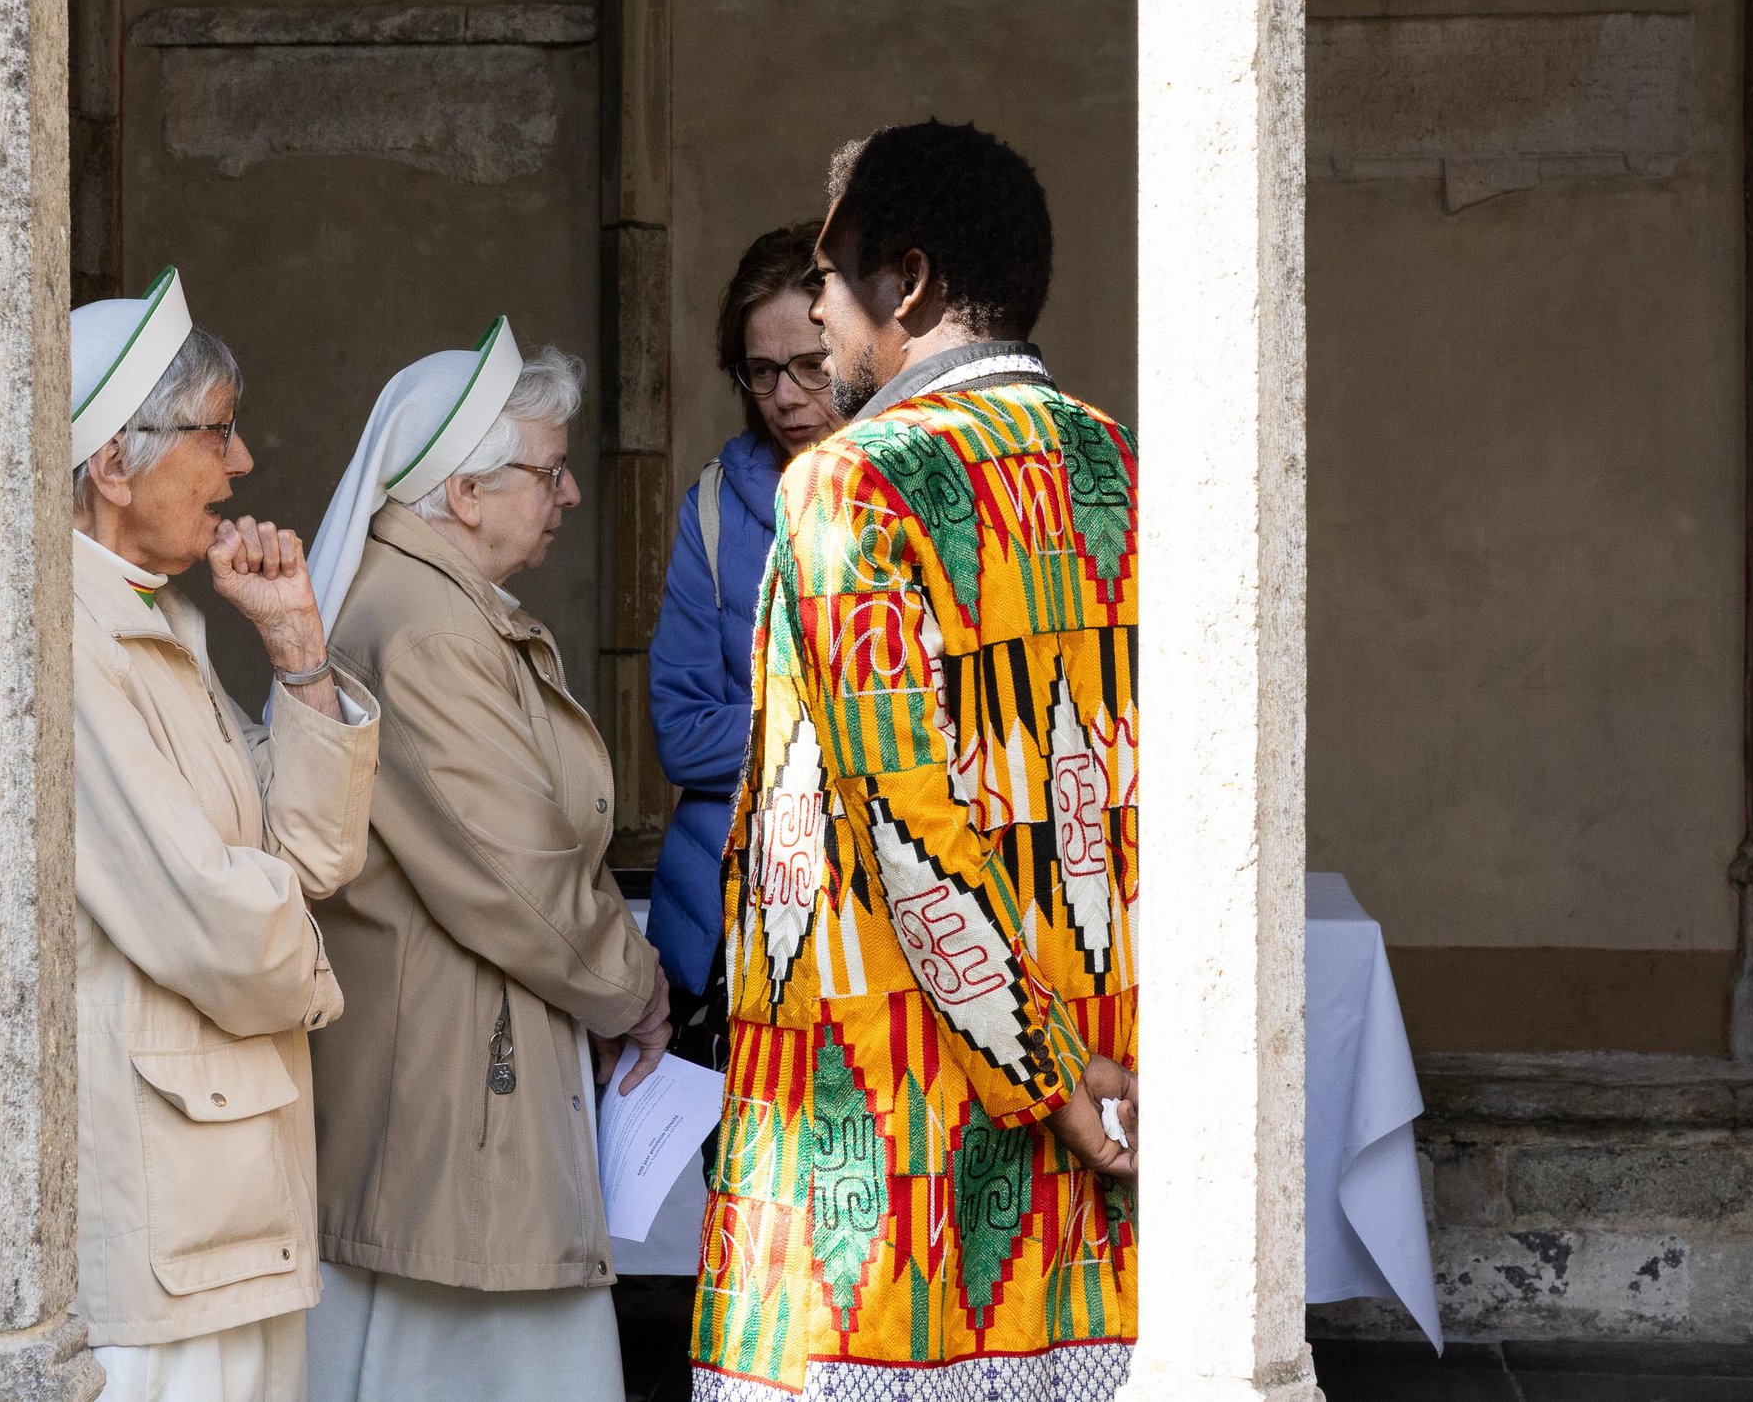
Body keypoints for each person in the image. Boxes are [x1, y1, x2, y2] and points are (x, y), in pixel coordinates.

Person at [691, 122, 1142, 1400]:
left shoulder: (854, 483)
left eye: (830, 280)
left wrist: (1043, 1076)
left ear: (912, 282)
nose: (820, 314)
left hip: (892, 1127)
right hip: (1106, 1095)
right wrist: (1091, 1069)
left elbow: (903, 824)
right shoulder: (1112, 460)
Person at [302, 319, 670, 1402]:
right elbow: (519, 878)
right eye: (548, 474)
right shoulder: (425, 628)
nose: (565, 497)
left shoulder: (437, 608)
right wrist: (634, 988)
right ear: (464, 492)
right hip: (455, 1084)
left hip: (463, 1058)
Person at [66, 267, 380, 1402]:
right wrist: (305, 953)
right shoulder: (66, 636)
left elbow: (312, 859)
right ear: (112, 462)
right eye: (218, 433)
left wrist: (297, 649)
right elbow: (216, 922)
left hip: (233, 1190)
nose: (242, 463)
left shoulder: (171, 621)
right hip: (156, 1197)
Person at [646, 221, 842, 1045]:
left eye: (810, 366)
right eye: (761, 372)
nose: (787, 397)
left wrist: (767, 722)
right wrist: (844, 717)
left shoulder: (922, 496)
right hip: (725, 939)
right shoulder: (716, 509)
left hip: (869, 932)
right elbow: (683, 736)